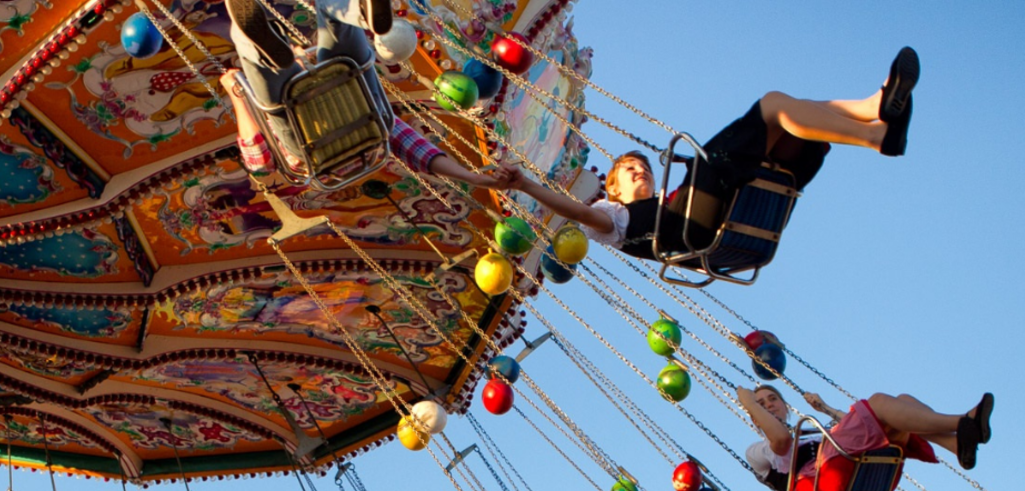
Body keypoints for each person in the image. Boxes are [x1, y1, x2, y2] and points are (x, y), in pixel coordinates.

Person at [498, 48, 919, 261]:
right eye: (629, 170)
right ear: (613, 187)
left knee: (789, 117)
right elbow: (574, 211)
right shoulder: (613, 220)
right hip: (693, 230)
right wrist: (527, 185)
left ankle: (874, 111)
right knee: (771, 105)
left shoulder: (668, 201)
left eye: (643, 166)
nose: (640, 171)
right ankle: (877, 129)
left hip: (728, 209)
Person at [224, 0, 506, 190]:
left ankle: (258, 45)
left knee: (260, 70)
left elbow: (259, 163)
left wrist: (237, 94)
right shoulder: (371, 119)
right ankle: (358, 11)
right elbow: (419, 151)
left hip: (305, 137)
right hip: (356, 106)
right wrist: (471, 177)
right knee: (339, 29)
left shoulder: (292, 92)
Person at [738, 386, 994, 491]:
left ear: (784, 405)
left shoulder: (810, 432)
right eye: (761, 404)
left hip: (857, 467)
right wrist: (748, 401)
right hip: (825, 484)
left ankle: (956, 443)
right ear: (754, 416)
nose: (769, 404)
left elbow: (844, 428)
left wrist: (825, 408)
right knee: (880, 403)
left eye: (773, 399)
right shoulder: (757, 451)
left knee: (902, 402)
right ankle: (962, 423)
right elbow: (780, 440)